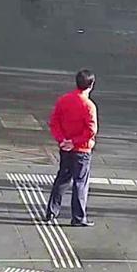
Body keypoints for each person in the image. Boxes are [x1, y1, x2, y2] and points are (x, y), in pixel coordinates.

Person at [45, 70, 98, 226]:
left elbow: (54, 122)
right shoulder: (89, 106)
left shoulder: (63, 100)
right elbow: (91, 130)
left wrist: (62, 140)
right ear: (91, 85)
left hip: (65, 148)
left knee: (62, 179)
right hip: (82, 150)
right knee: (80, 183)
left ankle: (51, 211)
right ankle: (78, 217)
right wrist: (75, 142)